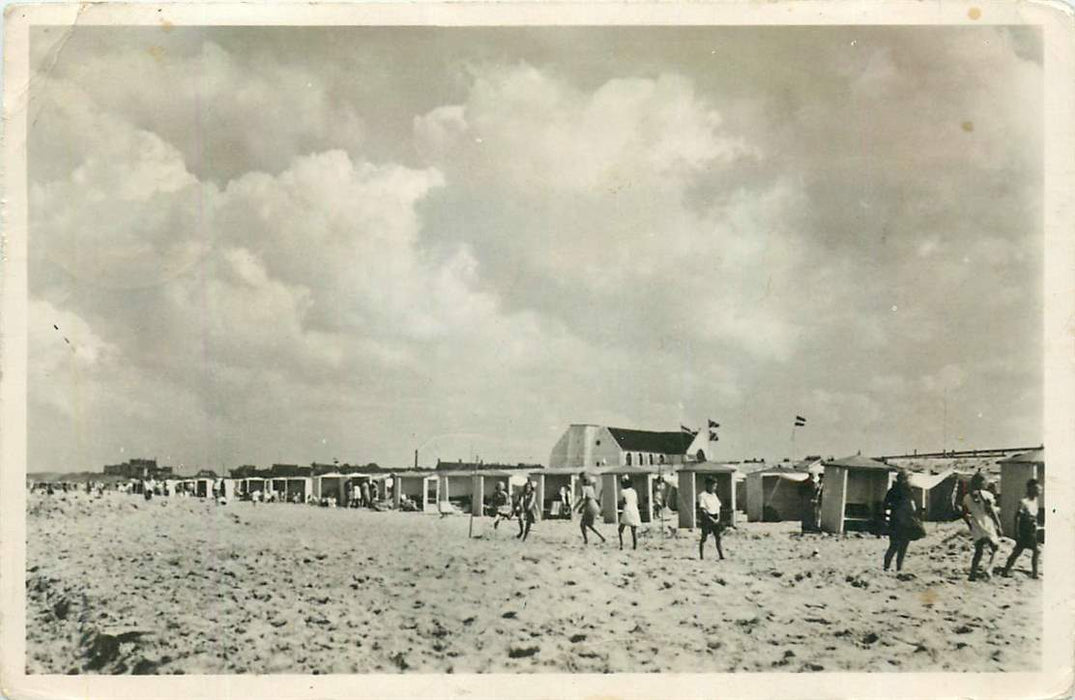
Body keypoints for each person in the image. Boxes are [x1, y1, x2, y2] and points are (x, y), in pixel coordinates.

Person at [962, 472, 1003, 581]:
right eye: (985, 481)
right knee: (996, 548)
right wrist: (998, 525)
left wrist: (970, 525)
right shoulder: (986, 495)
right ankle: (989, 569)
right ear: (981, 482)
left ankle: (972, 574)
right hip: (987, 523)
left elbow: (964, 513)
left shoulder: (966, 497)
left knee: (978, 551)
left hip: (976, 524)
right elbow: (992, 512)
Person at [1002, 478, 1042, 579]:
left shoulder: (1035, 501)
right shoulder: (1023, 502)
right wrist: (1016, 532)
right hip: (1025, 531)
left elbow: (1034, 516)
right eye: (1037, 489)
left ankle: (1006, 569)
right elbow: (1017, 517)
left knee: (1019, 551)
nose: (1039, 491)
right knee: (1035, 551)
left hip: (1031, 531)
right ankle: (1034, 573)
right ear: (1031, 489)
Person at [882, 470, 921, 572]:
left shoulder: (892, 491)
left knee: (893, 546)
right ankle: (899, 568)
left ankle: (886, 567)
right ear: (905, 479)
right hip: (906, 522)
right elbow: (913, 507)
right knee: (903, 547)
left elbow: (885, 505)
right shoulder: (908, 491)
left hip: (894, 522)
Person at [573, 473, 606, 545]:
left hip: (589, 506)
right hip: (595, 505)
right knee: (589, 524)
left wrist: (575, 507)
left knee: (583, 524)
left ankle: (586, 540)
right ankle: (601, 537)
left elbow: (583, 498)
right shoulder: (590, 487)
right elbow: (590, 498)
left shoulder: (583, 488)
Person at [697, 477, 725, 561]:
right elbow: (703, 510)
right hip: (707, 518)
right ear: (708, 485)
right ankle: (701, 556)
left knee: (718, 537)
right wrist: (711, 519)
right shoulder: (702, 495)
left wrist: (718, 518)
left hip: (715, 517)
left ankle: (721, 555)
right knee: (704, 537)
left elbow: (718, 507)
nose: (714, 488)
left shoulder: (714, 495)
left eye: (715, 486)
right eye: (713, 486)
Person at [617, 475, 641, 550]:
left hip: (627, 509)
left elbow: (624, 501)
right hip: (634, 509)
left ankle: (621, 545)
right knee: (633, 530)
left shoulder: (623, 491)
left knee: (620, 529)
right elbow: (637, 502)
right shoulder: (634, 491)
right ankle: (635, 545)